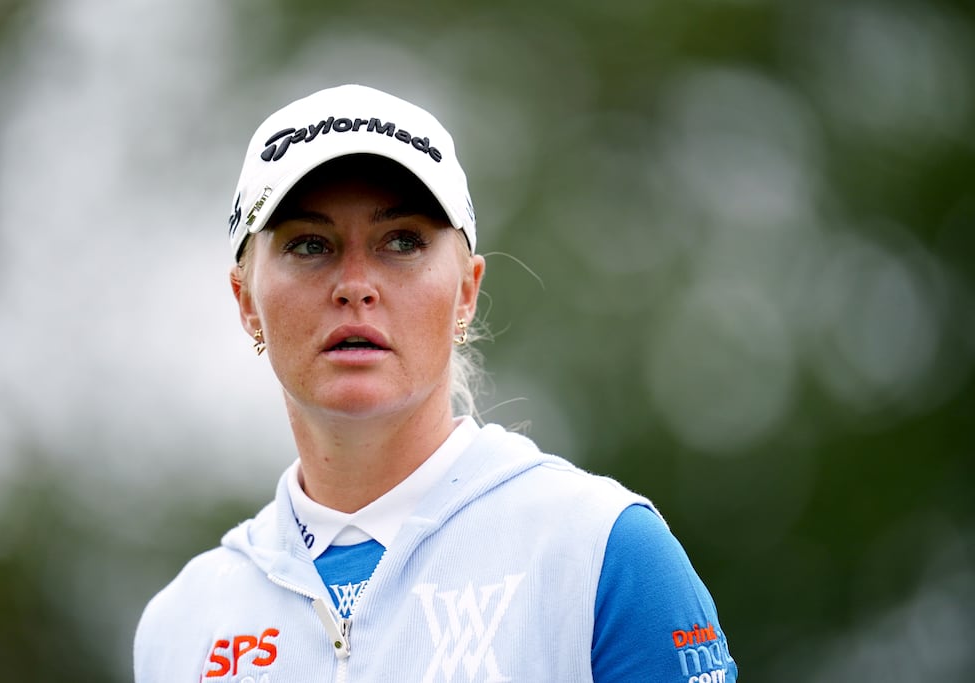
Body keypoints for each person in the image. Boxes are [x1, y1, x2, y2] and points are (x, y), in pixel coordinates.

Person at [133, 83, 738, 683]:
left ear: (467, 293)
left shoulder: (601, 551)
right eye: (309, 244)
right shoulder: (182, 625)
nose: (355, 285)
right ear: (246, 302)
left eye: (402, 242)